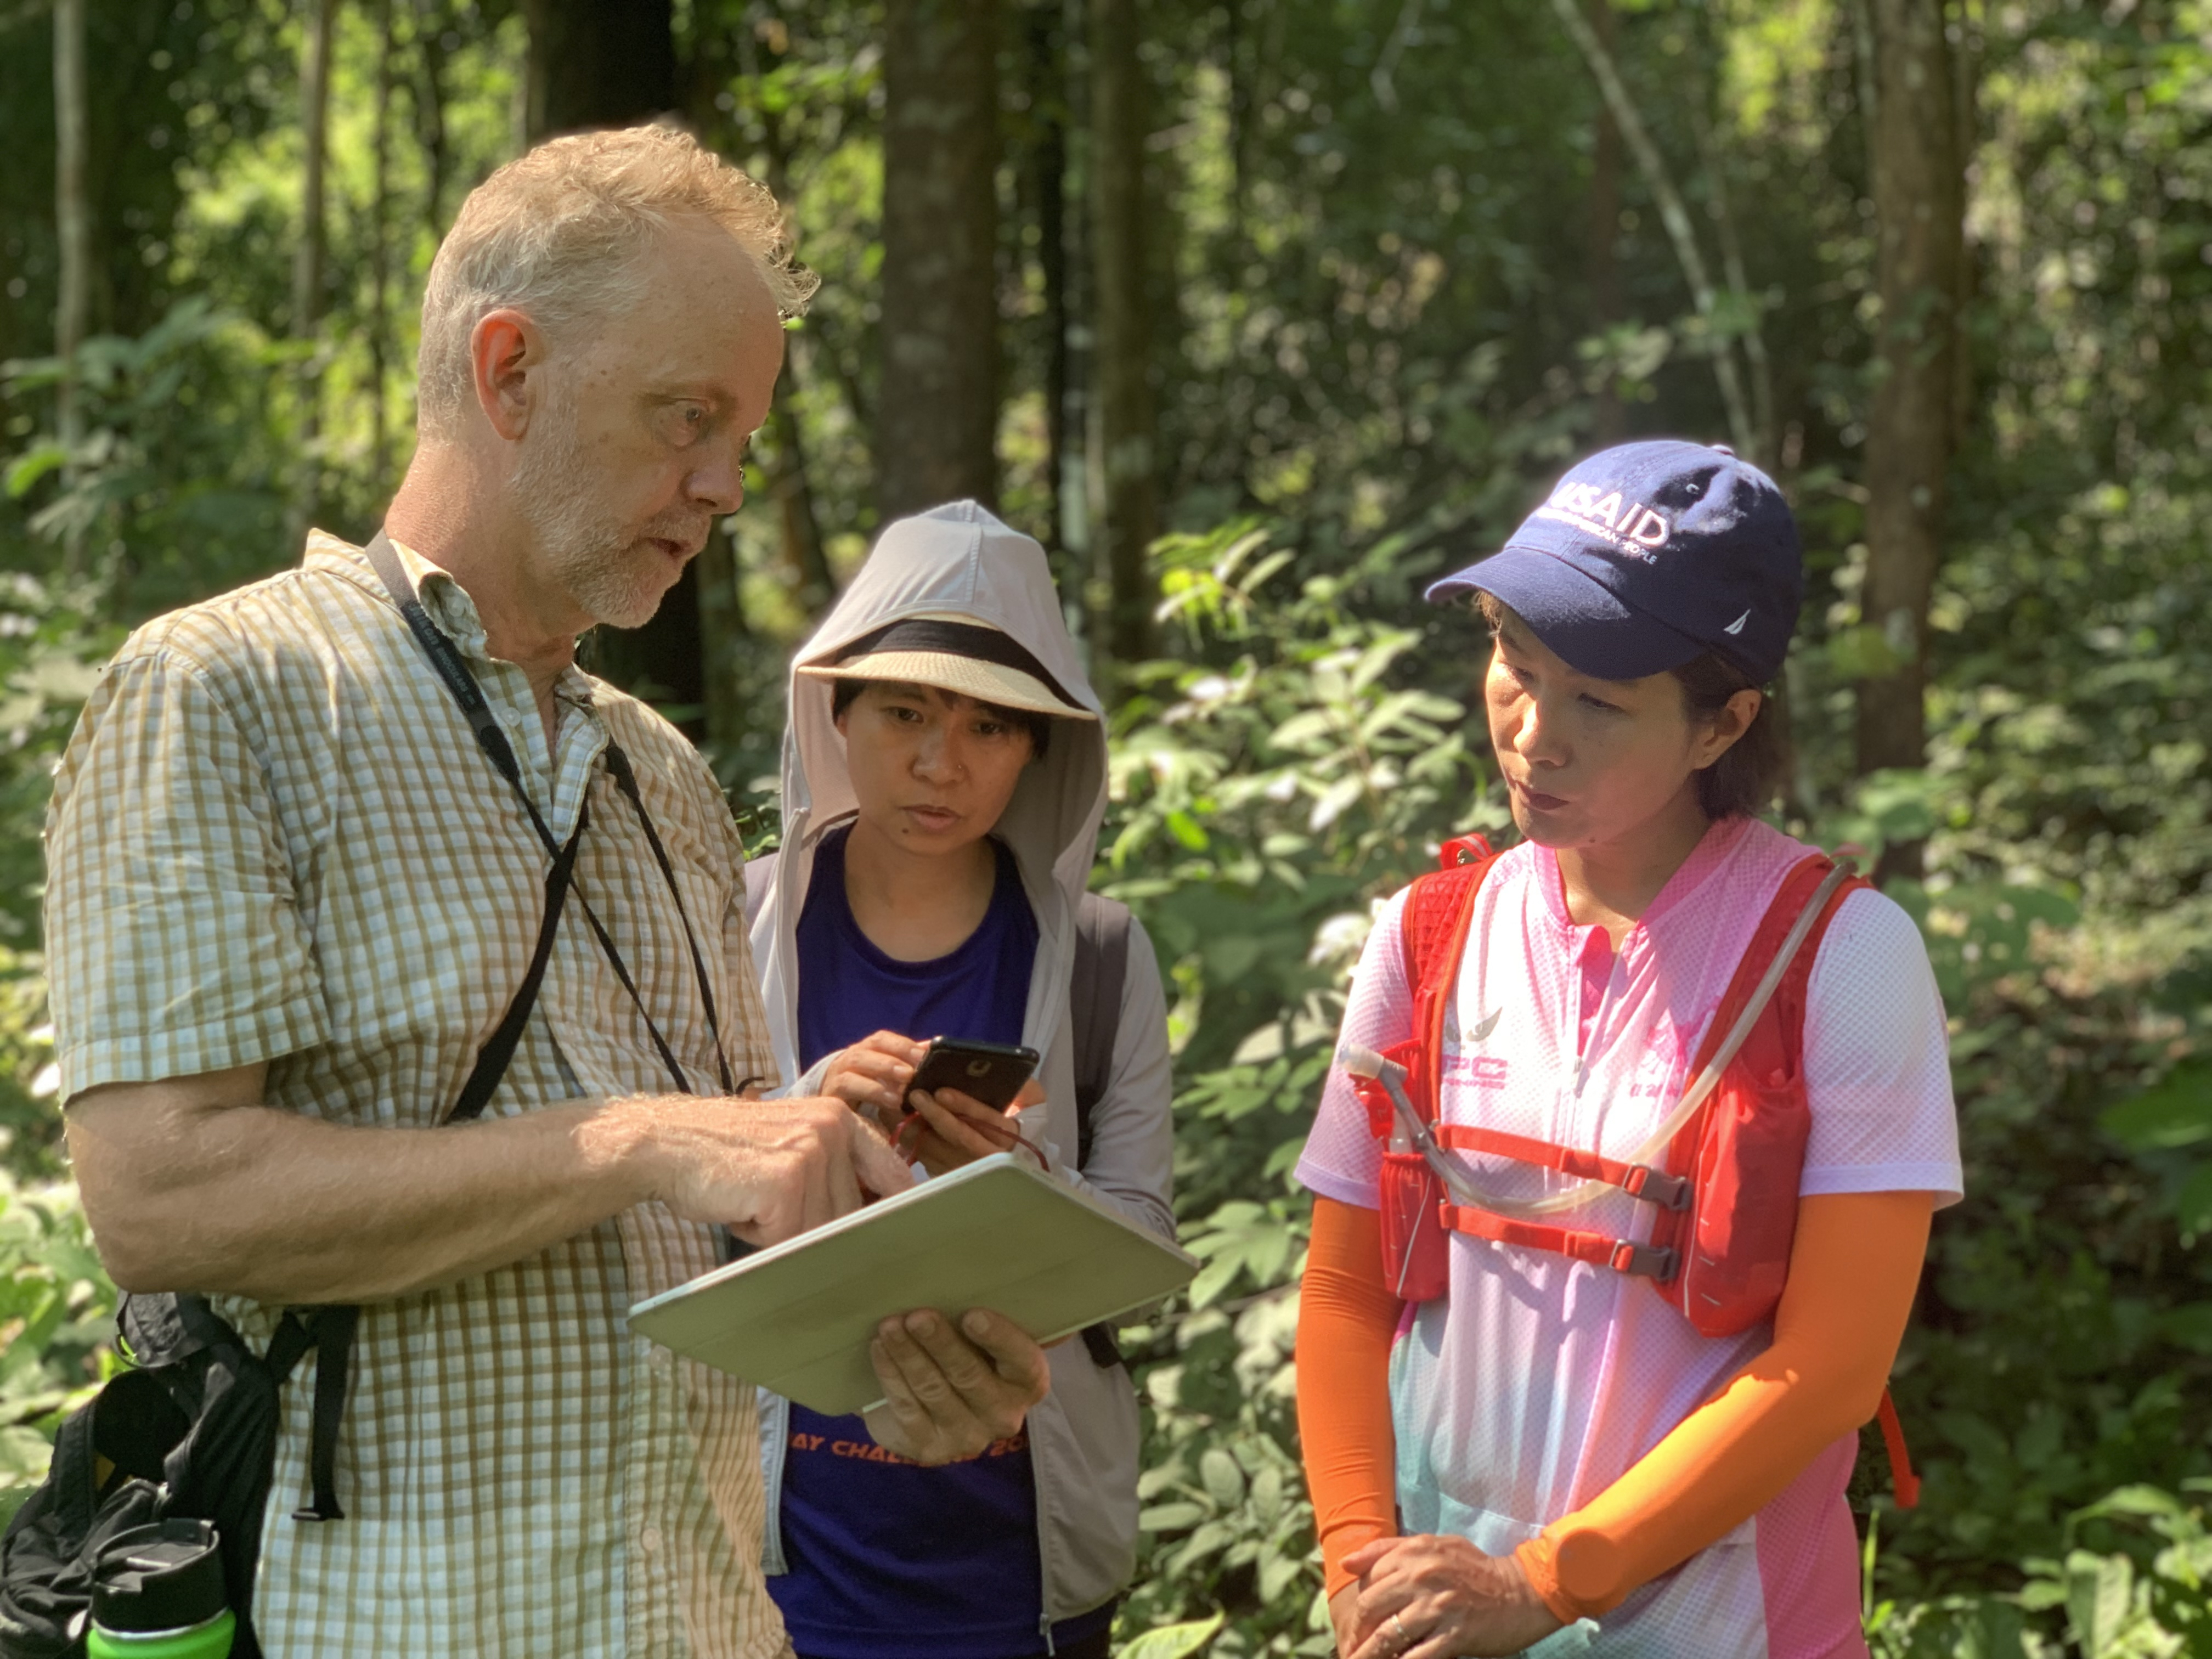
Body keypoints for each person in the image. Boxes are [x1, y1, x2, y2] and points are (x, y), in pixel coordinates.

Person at [42, 127, 1048, 1659]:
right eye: (685, 417)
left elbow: (697, 1253)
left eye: (741, 437)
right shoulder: (229, 691)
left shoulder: (669, 781)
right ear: (510, 371)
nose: (720, 485)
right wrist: (642, 1143)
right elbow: (157, 1200)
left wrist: (899, 1340)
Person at [1293, 441, 1962, 1658]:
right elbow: (1344, 1290)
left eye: (1600, 700)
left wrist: (1547, 1585)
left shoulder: (1842, 959)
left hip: (1726, 1629)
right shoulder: (1428, 934)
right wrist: (1358, 1570)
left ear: (1726, 724)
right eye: (1514, 662)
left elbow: (1832, 1369)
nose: (1535, 734)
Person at [741, 500, 1176, 1659]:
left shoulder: (1096, 954)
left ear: (1042, 745)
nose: (942, 763)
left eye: (991, 725)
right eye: (905, 712)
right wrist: (800, 1121)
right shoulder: (736, 924)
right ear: (837, 710)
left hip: (1024, 1579)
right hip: (774, 1571)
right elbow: (645, 1215)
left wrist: (1017, 1189)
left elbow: (1140, 1254)